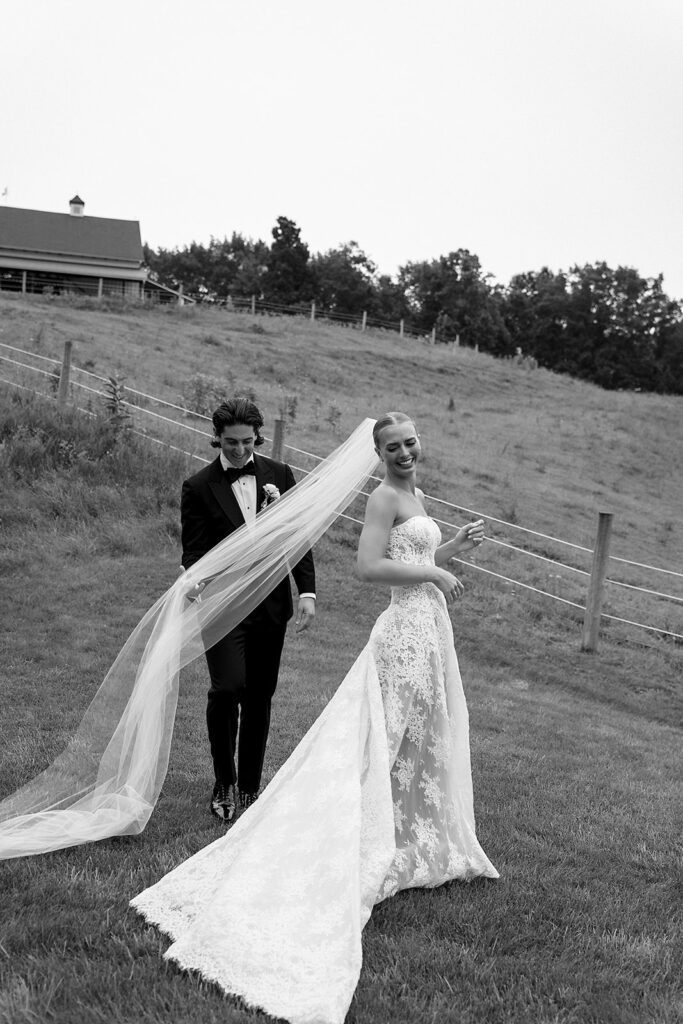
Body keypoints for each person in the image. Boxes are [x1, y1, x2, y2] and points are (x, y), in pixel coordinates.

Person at [131, 411, 498, 1024]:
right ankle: (342, 828)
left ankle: (410, 838)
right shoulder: (383, 494)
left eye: (410, 442)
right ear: (376, 452)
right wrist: (434, 571)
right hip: (402, 632)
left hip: (427, 629)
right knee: (375, 735)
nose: (405, 452)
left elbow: (408, 547)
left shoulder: (416, 492)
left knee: (419, 742)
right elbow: (370, 566)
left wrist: (454, 548)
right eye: (393, 446)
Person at [180, 396, 316, 822]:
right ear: (216, 438)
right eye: (230, 442)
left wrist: (306, 592)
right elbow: (195, 551)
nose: (239, 450)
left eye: (246, 441)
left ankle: (251, 789)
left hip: (270, 605)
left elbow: (296, 537)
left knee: (259, 697)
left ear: (257, 436)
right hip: (222, 603)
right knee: (227, 689)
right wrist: (195, 579)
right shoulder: (199, 487)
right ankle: (224, 780)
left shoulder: (280, 475)